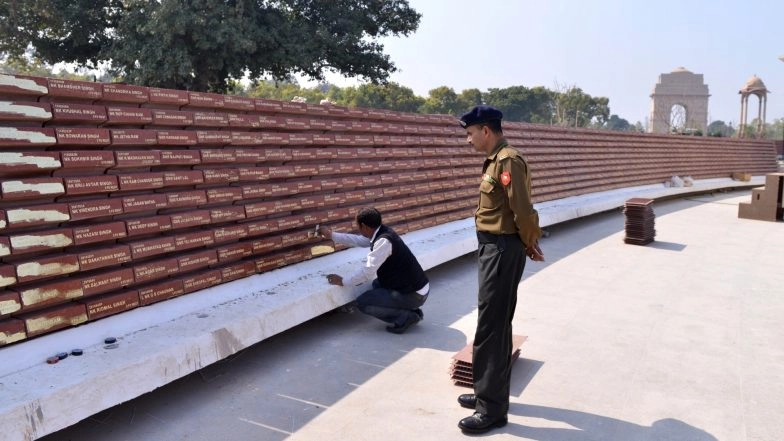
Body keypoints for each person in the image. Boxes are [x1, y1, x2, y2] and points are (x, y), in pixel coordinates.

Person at [456, 105, 545, 434]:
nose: (468, 141)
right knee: (490, 321)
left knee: (493, 326)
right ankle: (485, 391)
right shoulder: (496, 160)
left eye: (470, 134)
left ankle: (491, 410)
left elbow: (522, 208)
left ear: (486, 131)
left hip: (503, 249)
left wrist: (530, 241)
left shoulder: (508, 160)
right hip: (493, 247)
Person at [321, 207, 430, 334]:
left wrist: (343, 281)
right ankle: (410, 310)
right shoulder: (381, 232)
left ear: (364, 226)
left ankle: (405, 316)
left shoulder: (384, 241)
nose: (358, 229)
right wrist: (331, 235)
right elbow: (357, 240)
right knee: (376, 285)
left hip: (414, 293)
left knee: (363, 303)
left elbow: (367, 273)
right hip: (415, 287)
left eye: (358, 226)